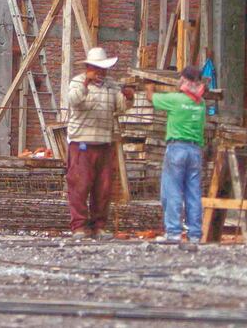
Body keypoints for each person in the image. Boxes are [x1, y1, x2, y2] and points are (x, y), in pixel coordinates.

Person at [66, 47, 134, 239]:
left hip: (104, 141)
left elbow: (121, 107)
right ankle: (79, 226)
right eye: (96, 68)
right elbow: (74, 100)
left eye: (102, 68)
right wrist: (86, 84)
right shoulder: (77, 82)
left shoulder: (111, 85)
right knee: (80, 186)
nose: (100, 72)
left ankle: (99, 226)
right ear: (88, 68)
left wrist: (129, 97)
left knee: (103, 188)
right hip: (81, 142)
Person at [147, 65, 207, 243]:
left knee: (172, 191)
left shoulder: (175, 99)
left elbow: (151, 98)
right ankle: (195, 234)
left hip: (177, 149)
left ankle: (173, 232)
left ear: (183, 80)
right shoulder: (201, 103)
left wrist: (149, 86)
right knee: (193, 193)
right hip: (195, 151)